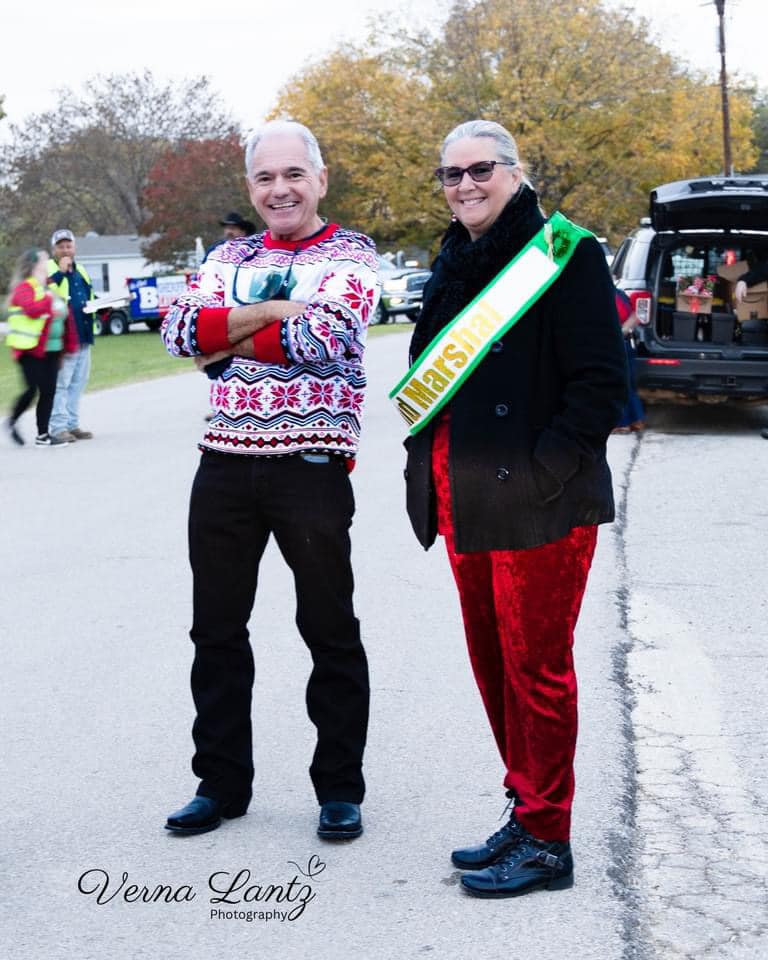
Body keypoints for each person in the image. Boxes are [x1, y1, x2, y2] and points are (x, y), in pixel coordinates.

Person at [401, 120, 627, 898]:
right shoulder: (453, 256)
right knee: (493, 663)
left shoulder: (566, 255)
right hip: (462, 494)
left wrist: (545, 472)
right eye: (450, 173)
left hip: (537, 500)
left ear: (514, 171)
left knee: (537, 668)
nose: (464, 184)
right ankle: (524, 806)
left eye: (480, 169)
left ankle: (548, 839)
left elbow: (600, 383)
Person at [162, 120, 379, 841]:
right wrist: (273, 310)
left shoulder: (351, 253)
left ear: (320, 179)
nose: (279, 189)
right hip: (224, 462)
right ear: (250, 187)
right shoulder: (229, 253)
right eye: (264, 178)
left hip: (310, 465)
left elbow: (326, 336)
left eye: (293, 175)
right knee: (215, 632)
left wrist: (228, 329)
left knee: (329, 629)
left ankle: (339, 789)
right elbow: (177, 333)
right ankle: (220, 784)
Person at [5, 248, 77, 447]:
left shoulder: (48, 287)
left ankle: (42, 435)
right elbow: (33, 309)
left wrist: (68, 344)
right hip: (28, 349)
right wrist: (49, 299)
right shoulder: (24, 288)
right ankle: (11, 422)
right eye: (44, 260)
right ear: (35, 264)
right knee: (32, 389)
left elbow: (64, 314)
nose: (48, 263)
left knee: (48, 391)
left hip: (51, 348)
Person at [47, 229, 95, 442]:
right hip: (63, 337)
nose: (66, 249)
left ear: (74, 248)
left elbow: (89, 296)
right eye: (61, 246)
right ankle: (57, 428)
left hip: (83, 334)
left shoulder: (81, 270)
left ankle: (72, 424)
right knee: (61, 383)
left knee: (78, 382)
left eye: (69, 245)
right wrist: (60, 272)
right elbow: (42, 295)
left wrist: (103, 305)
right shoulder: (48, 269)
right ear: (54, 249)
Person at [611, 288, 645, 433]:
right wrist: (625, 329)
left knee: (617, 384)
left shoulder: (602, 293)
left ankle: (621, 424)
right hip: (628, 342)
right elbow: (635, 316)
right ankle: (637, 420)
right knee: (629, 385)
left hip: (615, 344)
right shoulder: (620, 294)